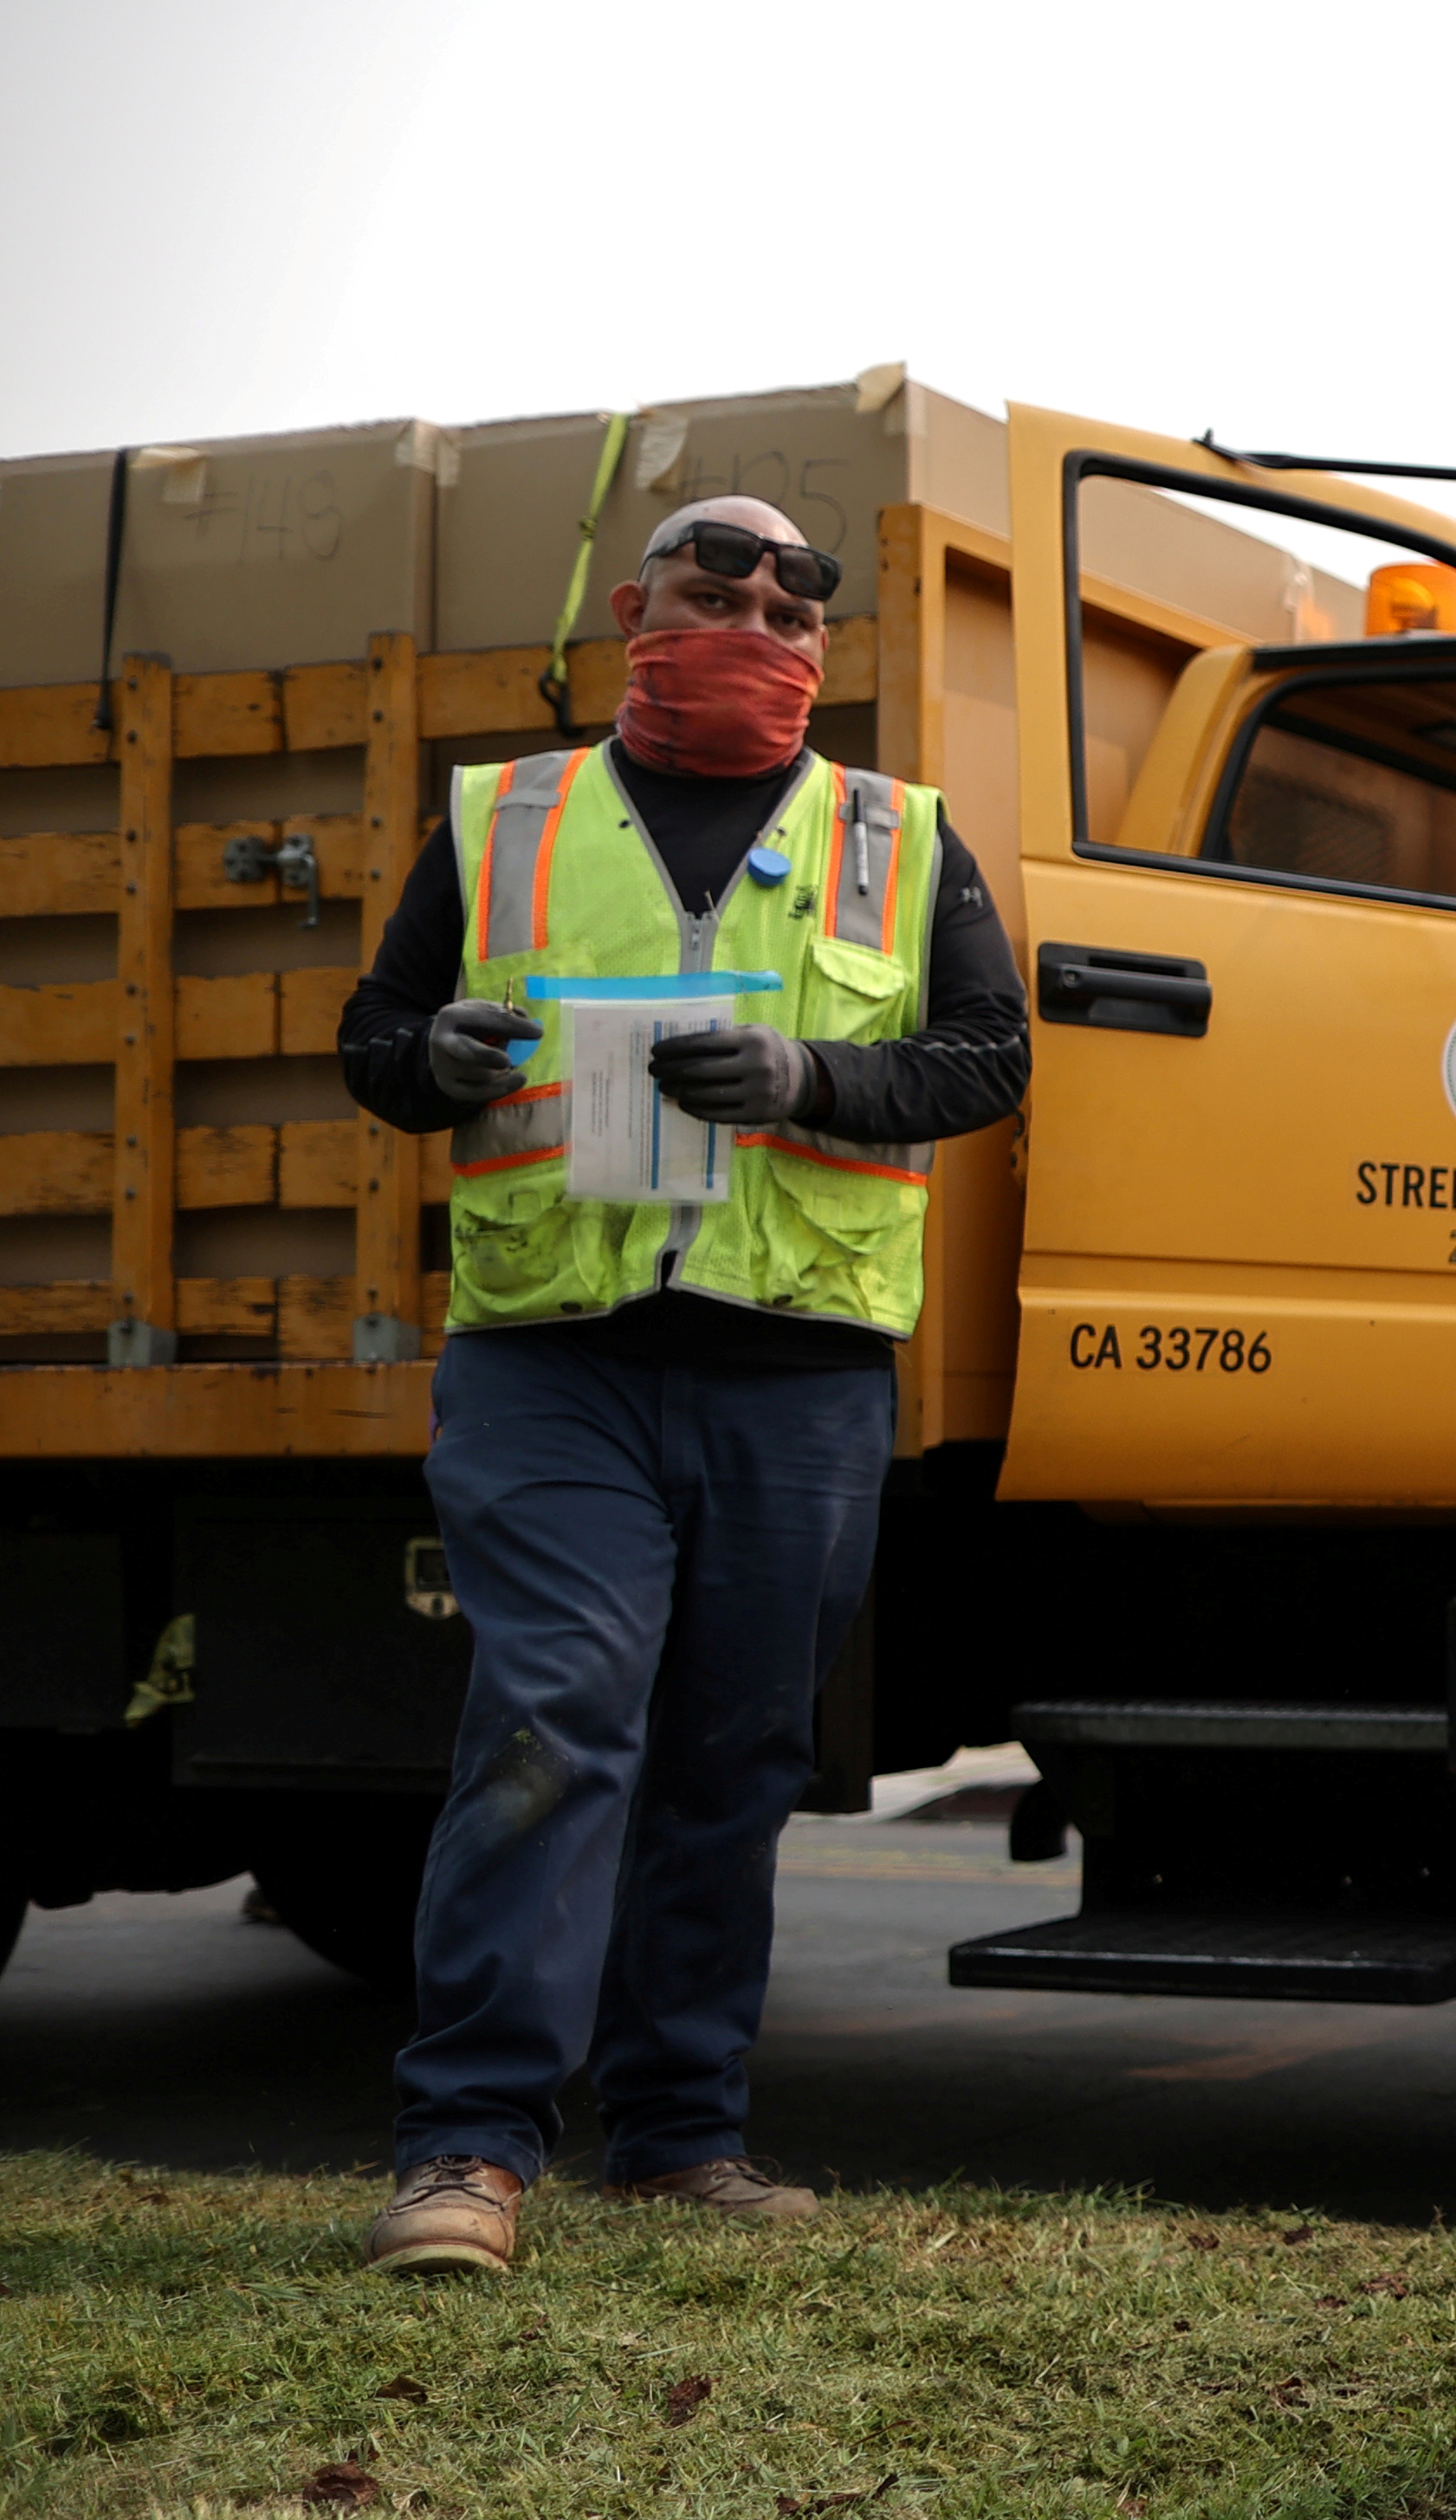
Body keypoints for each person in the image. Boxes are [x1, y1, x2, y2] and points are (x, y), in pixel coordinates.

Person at [339, 495, 1027, 2277]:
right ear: (633, 614)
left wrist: (806, 1070)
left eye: (786, 607)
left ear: (821, 647)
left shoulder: (901, 833)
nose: (748, 623)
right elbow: (377, 1039)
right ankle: (468, 2150)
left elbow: (986, 1056)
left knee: (731, 1756)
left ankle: (674, 2139)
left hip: (794, 1370)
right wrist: (430, 1053)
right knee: (553, 1717)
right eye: (708, 592)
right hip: (550, 1361)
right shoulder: (508, 817)